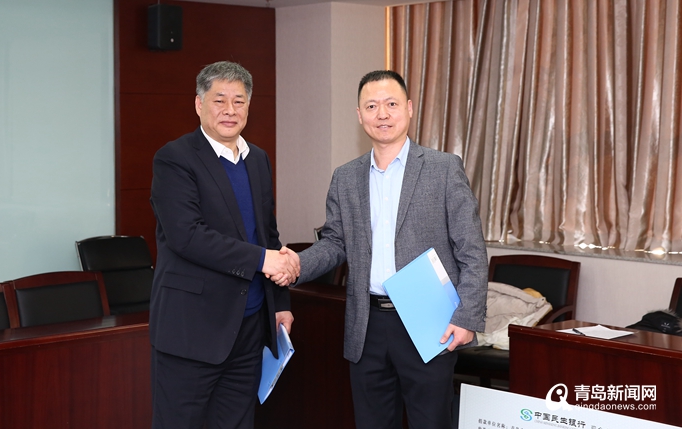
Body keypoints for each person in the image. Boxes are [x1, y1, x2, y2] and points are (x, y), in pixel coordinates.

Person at [285, 70, 488, 429]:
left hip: (429, 322)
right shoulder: (346, 177)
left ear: (408, 108)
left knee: (430, 422)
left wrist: (466, 318)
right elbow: (334, 242)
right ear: (359, 115)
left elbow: (471, 251)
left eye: (391, 104)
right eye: (372, 106)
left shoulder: (443, 169)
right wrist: (296, 264)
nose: (382, 114)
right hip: (368, 323)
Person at [149, 61, 298, 429]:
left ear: (249, 106)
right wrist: (262, 260)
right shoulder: (174, 158)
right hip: (192, 329)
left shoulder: (258, 159)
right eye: (219, 100)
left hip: (249, 329)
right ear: (199, 104)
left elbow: (268, 235)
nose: (230, 110)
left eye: (239, 101)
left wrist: (279, 303)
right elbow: (187, 236)